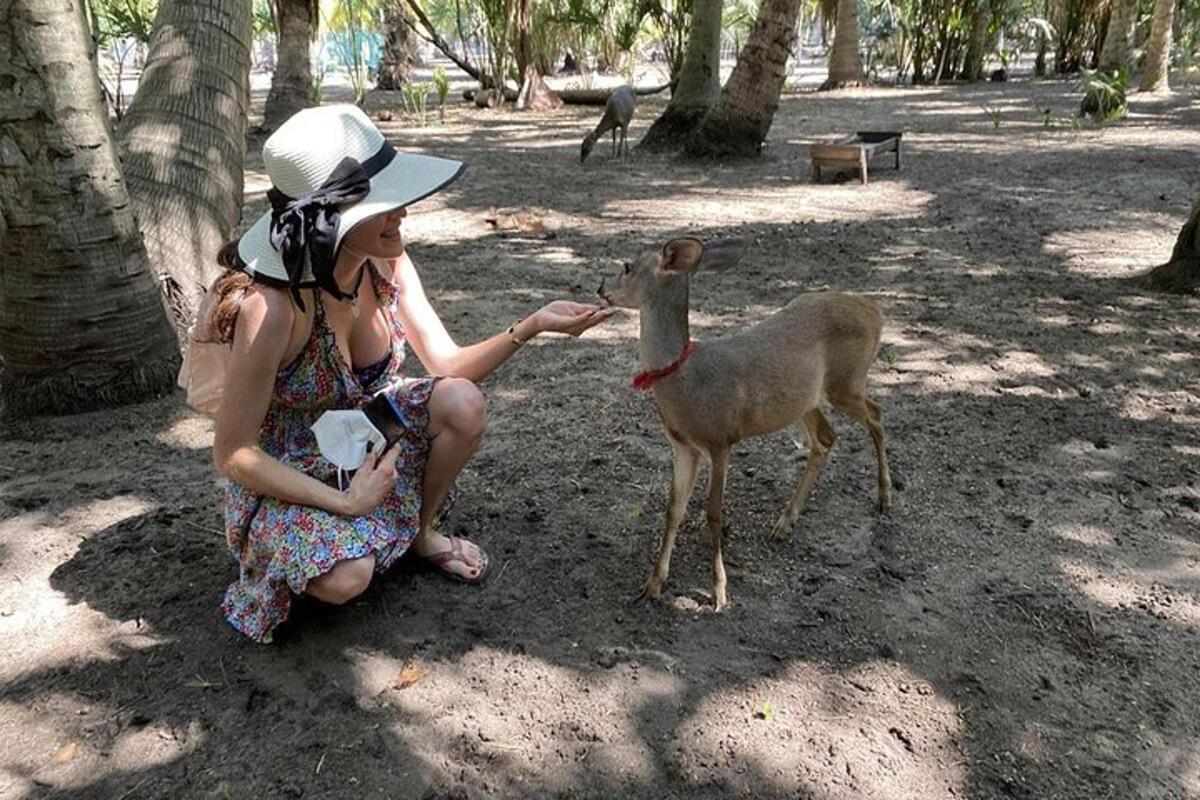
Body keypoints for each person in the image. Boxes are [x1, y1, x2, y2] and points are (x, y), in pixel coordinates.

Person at [207, 105, 611, 642]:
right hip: (292, 466)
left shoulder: (386, 264)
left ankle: (419, 532)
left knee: (461, 401)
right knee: (350, 577)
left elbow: (448, 365)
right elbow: (234, 452)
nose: (404, 212)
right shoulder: (273, 307)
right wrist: (345, 502)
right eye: (383, 204)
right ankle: (314, 545)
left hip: (366, 438)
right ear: (333, 222)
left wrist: (532, 325)